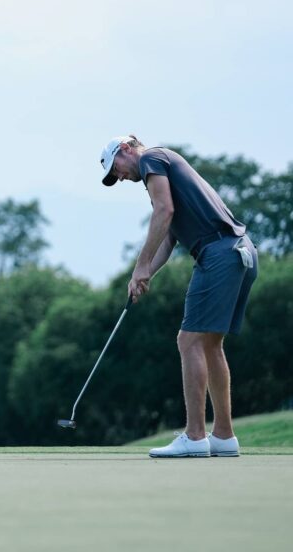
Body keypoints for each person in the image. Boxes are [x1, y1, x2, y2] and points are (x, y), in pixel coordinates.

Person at [100, 135, 258, 458]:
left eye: (116, 169)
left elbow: (164, 211)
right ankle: (224, 437)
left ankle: (195, 436)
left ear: (126, 149)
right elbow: (170, 236)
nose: (121, 177)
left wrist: (140, 263)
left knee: (188, 341)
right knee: (211, 344)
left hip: (218, 253)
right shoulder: (164, 169)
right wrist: (143, 274)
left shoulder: (151, 159)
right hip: (240, 251)